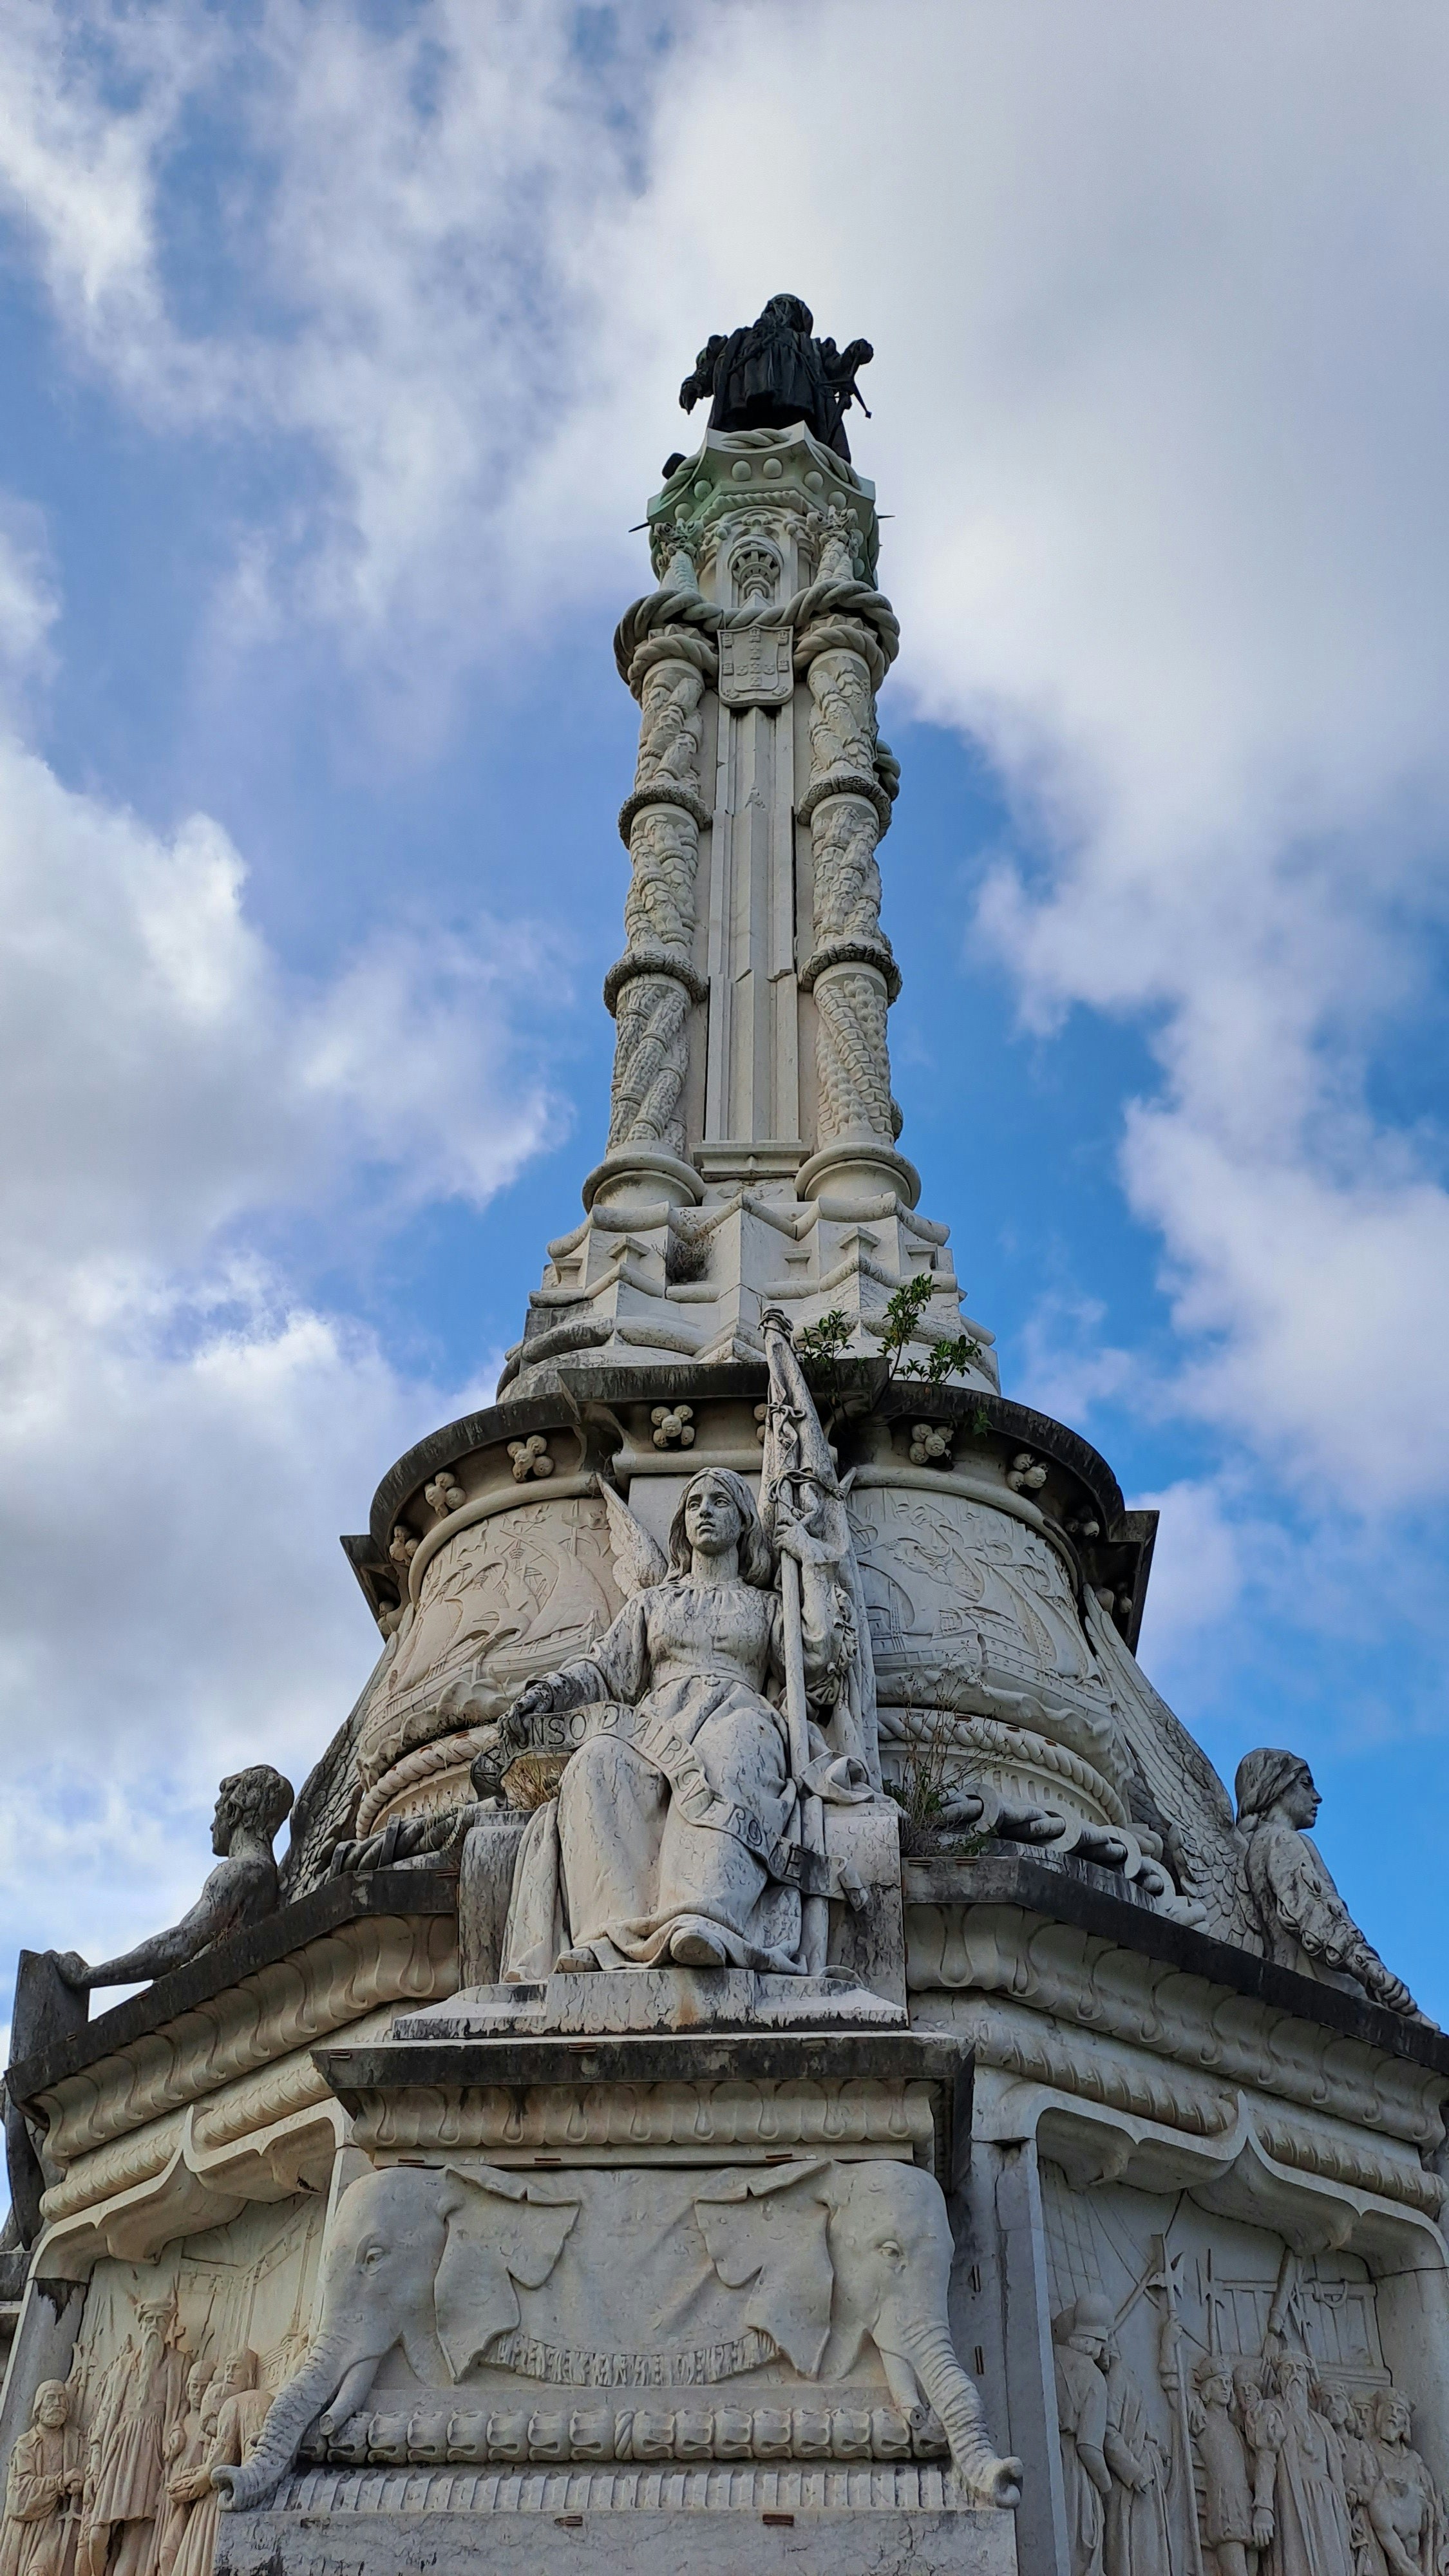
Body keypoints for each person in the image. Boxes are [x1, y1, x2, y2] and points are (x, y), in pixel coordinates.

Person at [495, 1467, 866, 1976]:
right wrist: (550, 1692)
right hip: (655, 1727)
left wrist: (810, 1559)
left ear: (742, 1523)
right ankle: (611, 1936)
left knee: (733, 1752)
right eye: (694, 1504)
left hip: (738, 1713)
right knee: (596, 1764)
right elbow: (604, 1670)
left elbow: (817, 1662)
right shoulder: (653, 1603)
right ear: (682, 1525)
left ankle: (704, 1918)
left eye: (719, 1502)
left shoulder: (767, 1606)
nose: (705, 1512)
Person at [54, 1768, 294, 1992]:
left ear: (232, 1814)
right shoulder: (263, 1871)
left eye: (217, 1813)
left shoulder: (242, 1870)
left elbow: (177, 1946)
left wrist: (88, 1976)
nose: (212, 1826)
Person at [678, 295, 874, 461]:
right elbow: (710, 362)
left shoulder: (811, 346)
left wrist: (853, 354)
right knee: (733, 446)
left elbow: (837, 369)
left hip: (796, 407)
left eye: (783, 306)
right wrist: (694, 384)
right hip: (740, 406)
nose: (775, 310)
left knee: (793, 443)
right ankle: (707, 463)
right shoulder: (742, 337)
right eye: (773, 306)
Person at [1054, 2296, 1114, 2576]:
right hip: (1074, 2474)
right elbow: (1089, 2447)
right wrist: (1106, 2486)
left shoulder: (1047, 2358)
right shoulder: (1093, 2377)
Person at [0, 2382, 83, 2576]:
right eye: (51, 2398)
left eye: (63, 2399)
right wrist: (60, 2482)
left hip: (59, 2523)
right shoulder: (26, 2445)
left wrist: (78, 2481)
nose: (58, 2404)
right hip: (27, 2530)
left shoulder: (76, 2441)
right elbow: (18, 2495)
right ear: (39, 2407)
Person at [1191, 2354, 1258, 2576]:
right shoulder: (1202, 2419)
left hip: (1246, 2502)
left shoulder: (1235, 2428)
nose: (1226, 2387)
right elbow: (1174, 2389)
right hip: (1225, 2504)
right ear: (1207, 2389)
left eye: (1229, 2383)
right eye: (1219, 2382)